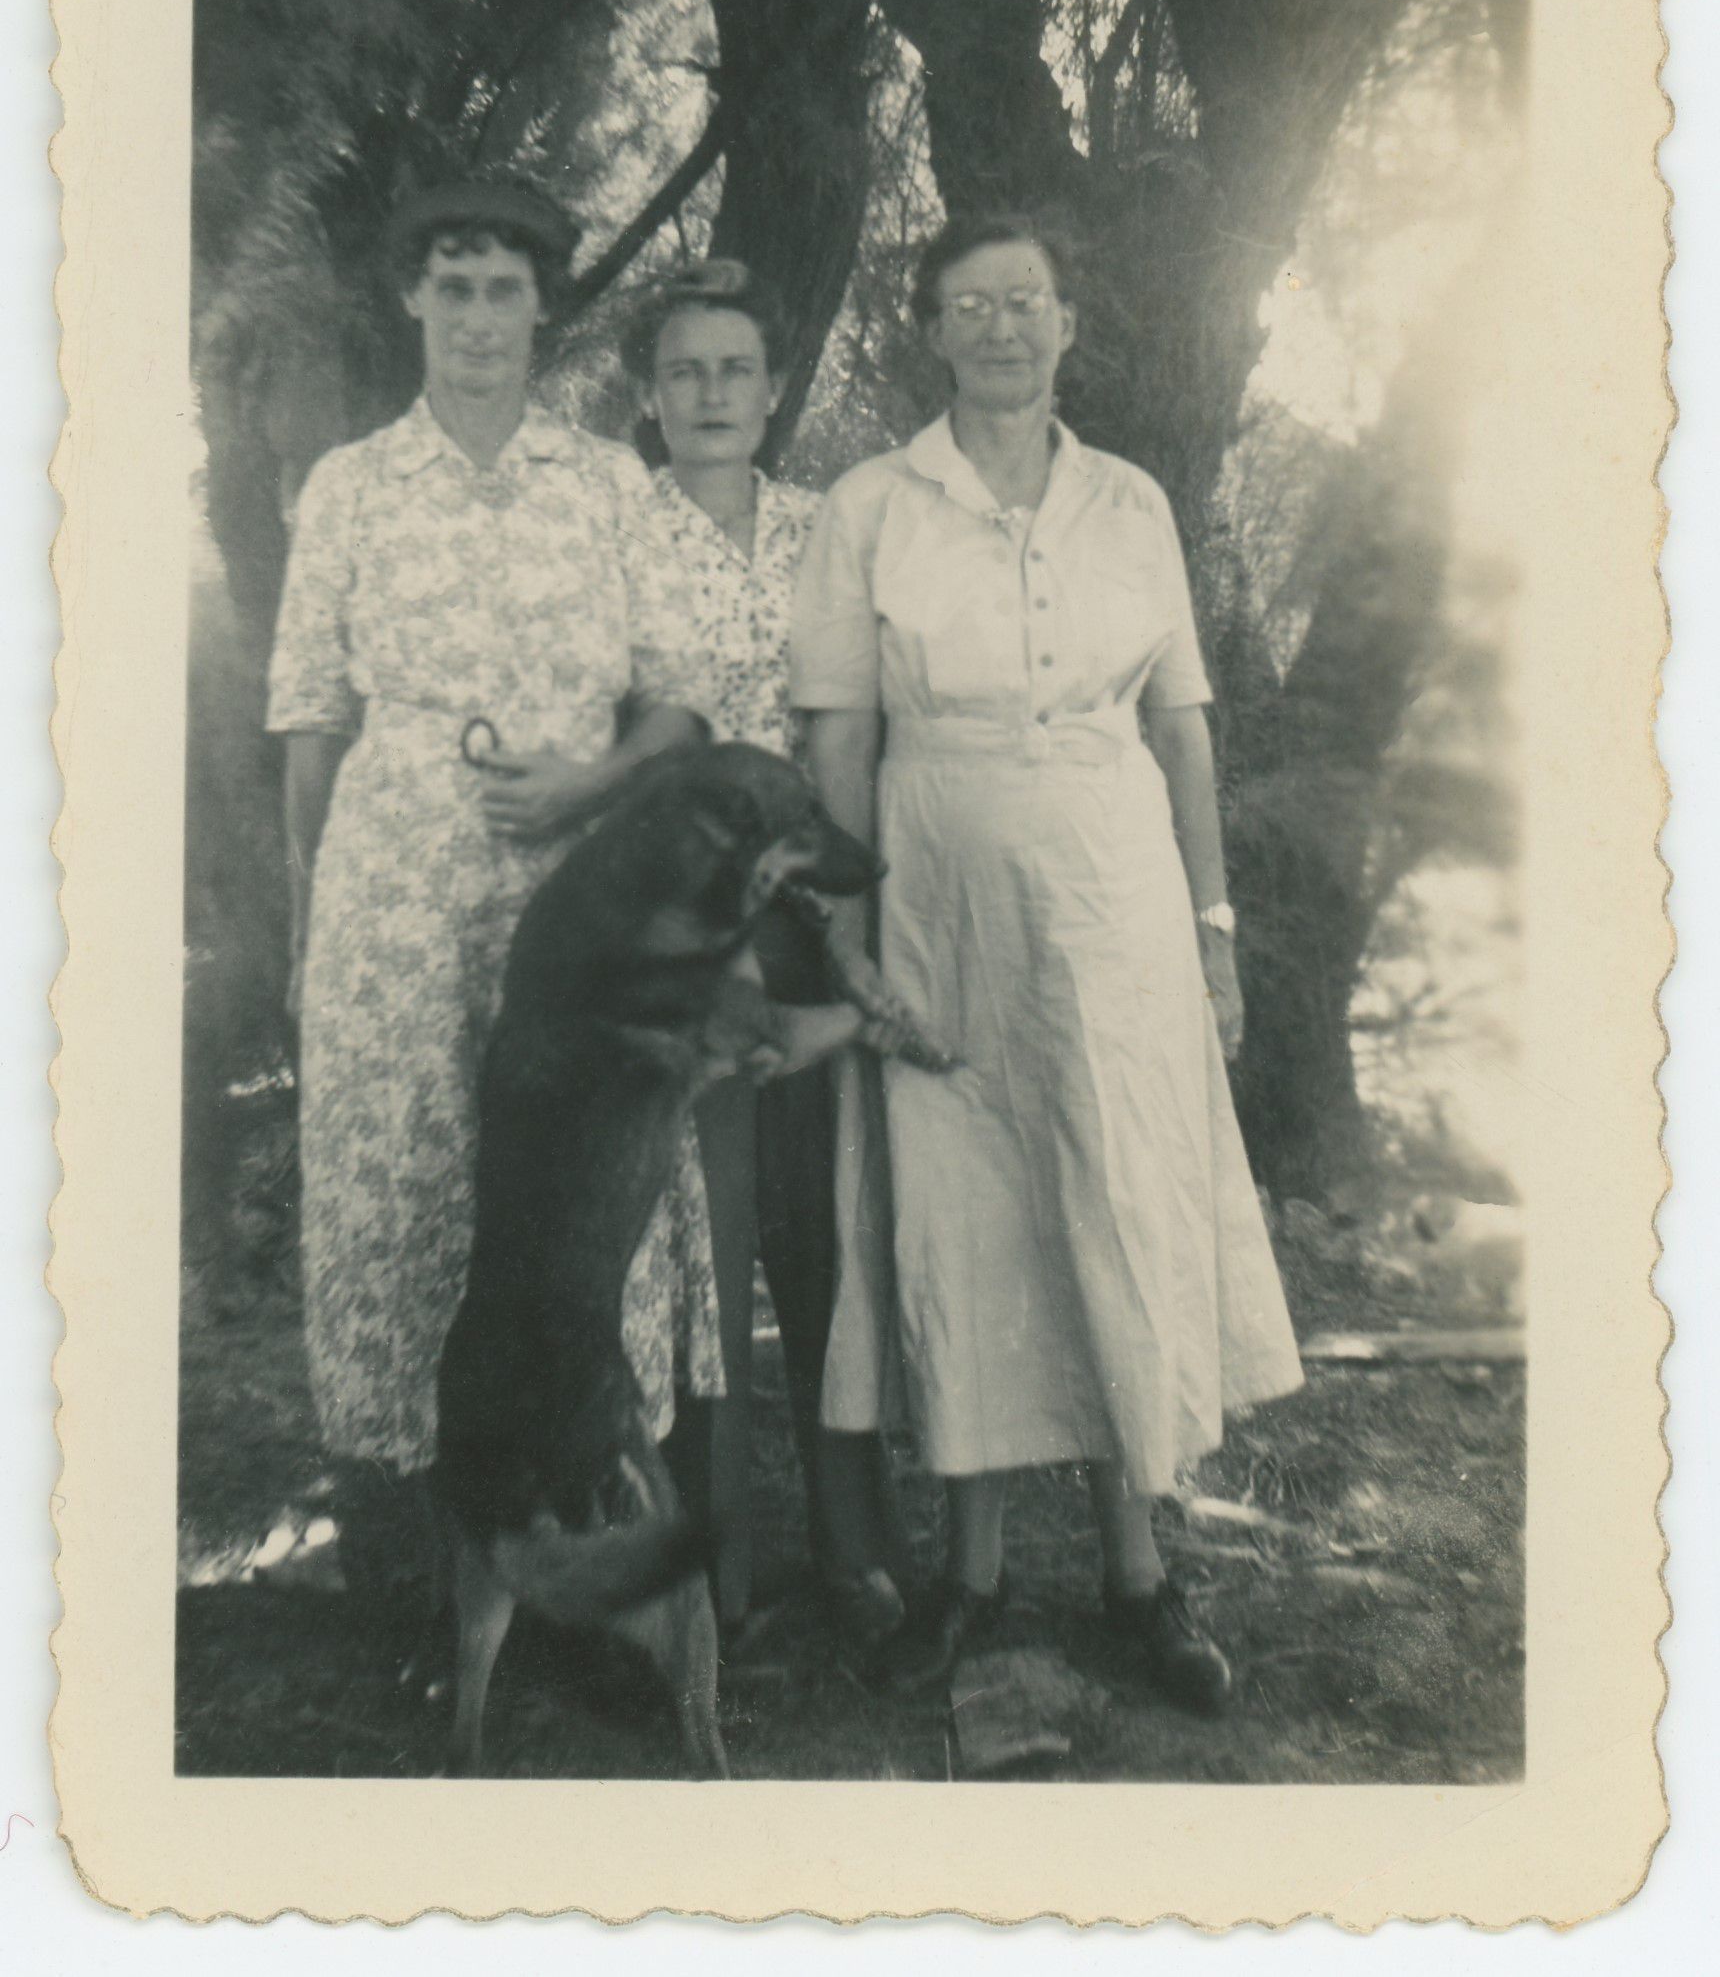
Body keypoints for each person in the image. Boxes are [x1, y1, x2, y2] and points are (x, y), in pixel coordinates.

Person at [790, 213, 1304, 1708]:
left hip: (1114, 898)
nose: (1002, 326)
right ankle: (974, 1575)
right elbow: (838, 737)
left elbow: (1183, 730)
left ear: (1068, 322)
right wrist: (849, 940)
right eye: (970, 305)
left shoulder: (1131, 502)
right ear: (929, 332)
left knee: (1116, 1193)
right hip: (936, 897)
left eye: (1027, 300)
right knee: (967, 1217)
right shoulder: (871, 506)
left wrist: (1212, 935)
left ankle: (1139, 1576)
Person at [265, 179, 719, 1647]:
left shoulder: (606, 485)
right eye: (451, 285)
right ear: (413, 299)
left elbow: (680, 707)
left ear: (542, 307)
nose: (475, 315)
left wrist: (587, 784)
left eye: (503, 288)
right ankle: (422, 1585)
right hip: (391, 896)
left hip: (570, 897)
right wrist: (308, 927)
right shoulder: (350, 487)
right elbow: (310, 726)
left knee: (574, 1200)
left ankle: (586, 1573)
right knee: (404, 1197)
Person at [620, 258, 905, 1652]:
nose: (712, 394)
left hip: (818, 908)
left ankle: (858, 1551)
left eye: (736, 369)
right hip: (683, 921)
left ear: (777, 386)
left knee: (827, 1227)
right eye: (684, 371)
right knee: (707, 1238)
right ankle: (714, 1576)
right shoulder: (613, 533)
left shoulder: (827, 528)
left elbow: (866, 717)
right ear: (648, 393)